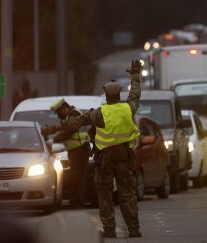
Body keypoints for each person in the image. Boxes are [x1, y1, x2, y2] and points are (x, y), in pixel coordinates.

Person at [43, 60, 143, 238]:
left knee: (105, 194)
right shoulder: (128, 108)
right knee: (127, 193)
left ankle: (110, 230)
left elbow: (75, 123)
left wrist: (53, 129)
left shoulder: (98, 113)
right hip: (124, 157)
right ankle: (134, 229)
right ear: (119, 95)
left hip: (105, 159)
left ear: (106, 95)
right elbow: (135, 94)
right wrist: (135, 76)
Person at [41, 98, 90, 209]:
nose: (58, 115)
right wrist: (51, 129)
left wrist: (54, 140)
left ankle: (76, 205)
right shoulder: (70, 116)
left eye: (58, 112)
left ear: (65, 109)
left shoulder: (75, 115)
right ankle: (77, 203)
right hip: (77, 151)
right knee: (77, 179)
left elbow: (68, 131)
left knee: (76, 179)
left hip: (79, 151)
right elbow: (62, 126)